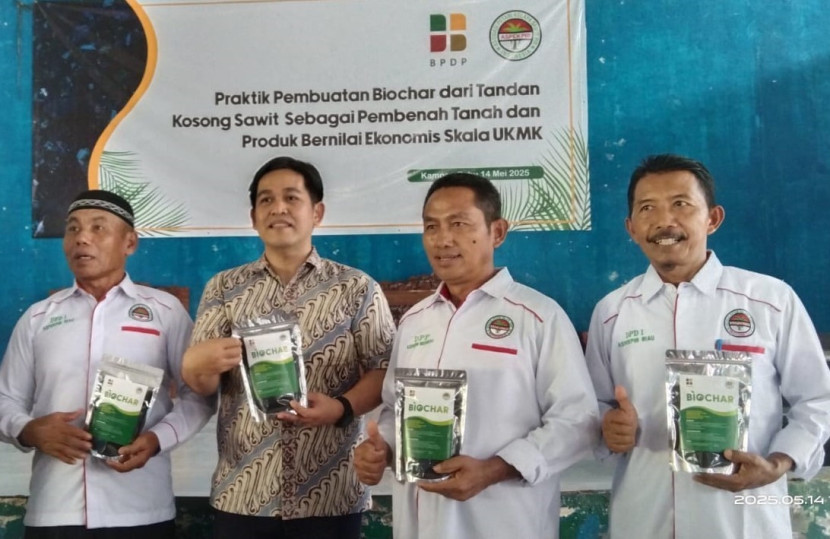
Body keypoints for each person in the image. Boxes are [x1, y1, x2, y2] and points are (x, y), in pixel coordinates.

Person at [585, 154, 830, 538]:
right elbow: (590, 408)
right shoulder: (611, 313)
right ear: (631, 228)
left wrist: (779, 463)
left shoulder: (770, 301)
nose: (664, 220)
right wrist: (607, 426)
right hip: (645, 517)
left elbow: (818, 399)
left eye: (680, 204)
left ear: (712, 218)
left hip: (745, 521)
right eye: (647, 208)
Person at [353, 173, 599, 539]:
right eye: (431, 227)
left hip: (503, 521)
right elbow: (394, 409)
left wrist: (495, 469)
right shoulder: (415, 321)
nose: (443, 239)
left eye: (459, 224)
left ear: (497, 232)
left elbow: (578, 420)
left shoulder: (538, 316)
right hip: (420, 522)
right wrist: (381, 448)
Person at [181, 156, 395, 539]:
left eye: (291, 198)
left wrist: (341, 407)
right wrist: (196, 365)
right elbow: (204, 387)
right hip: (244, 492)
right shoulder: (224, 288)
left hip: (331, 493)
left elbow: (384, 370)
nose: (278, 208)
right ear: (253, 217)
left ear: (317, 212)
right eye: (266, 200)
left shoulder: (356, 288)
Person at [0, 190, 213, 538]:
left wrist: (157, 439)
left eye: (98, 227)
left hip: (140, 507)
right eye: (73, 228)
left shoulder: (165, 312)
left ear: (130, 242)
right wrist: (27, 429)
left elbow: (199, 396)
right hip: (54, 509)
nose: (82, 238)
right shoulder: (38, 318)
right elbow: (6, 400)